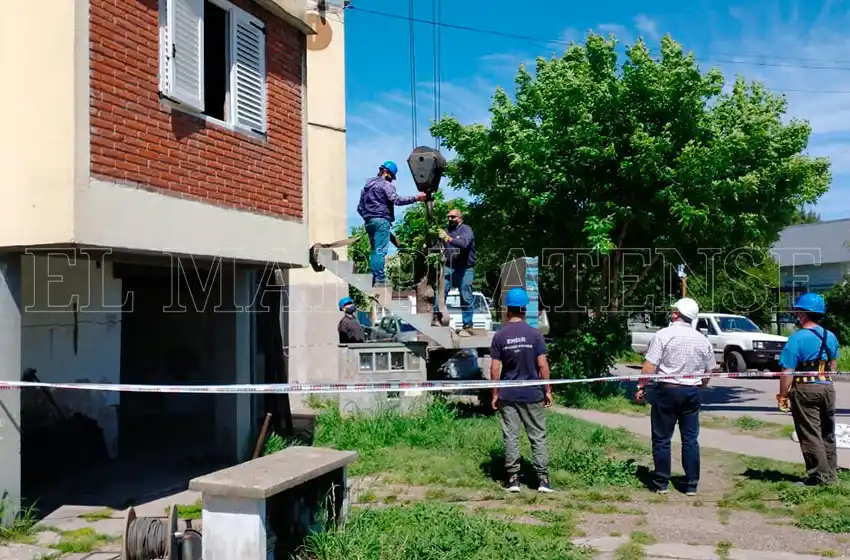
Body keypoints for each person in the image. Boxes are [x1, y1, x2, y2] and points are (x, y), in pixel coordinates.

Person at [635, 297, 715, 496]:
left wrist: (641, 387)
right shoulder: (702, 339)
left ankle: (661, 482)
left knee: (662, 438)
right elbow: (709, 370)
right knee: (690, 439)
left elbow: (650, 365)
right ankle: (691, 484)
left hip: (667, 390)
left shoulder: (663, 335)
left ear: (676, 314)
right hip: (692, 392)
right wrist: (700, 386)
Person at [490, 287, 553, 493]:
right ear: (524, 310)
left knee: (511, 436)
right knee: (538, 436)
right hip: (532, 393)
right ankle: (543, 480)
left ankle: (513, 479)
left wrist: (495, 393)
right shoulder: (535, 335)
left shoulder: (500, 336)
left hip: (509, 395)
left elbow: (494, 368)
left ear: (507, 310)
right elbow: (543, 365)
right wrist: (548, 390)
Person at [777, 292, 840, 486]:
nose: (796, 315)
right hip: (827, 388)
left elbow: (787, 371)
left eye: (798, 312)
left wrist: (783, 396)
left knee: (811, 434)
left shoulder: (797, 339)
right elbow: (833, 367)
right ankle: (831, 475)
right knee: (827, 433)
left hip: (805, 389)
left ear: (803, 314)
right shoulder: (830, 336)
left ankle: (818, 478)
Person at [356, 160, 426, 287]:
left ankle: (374, 278)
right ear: (387, 173)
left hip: (369, 222)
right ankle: (380, 279)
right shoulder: (385, 185)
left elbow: (359, 208)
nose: (392, 180)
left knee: (374, 251)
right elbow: (397, 200)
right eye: (392, 177)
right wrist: (416, 198)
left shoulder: (366, 187)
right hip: (381, 221)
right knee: (380, 251)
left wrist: (369, 218)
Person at [433, 208, 476, 336]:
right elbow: (437, 247)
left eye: (453, 217)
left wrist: (448, 238)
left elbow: (464, 244)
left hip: (465, 268)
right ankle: (437, 319)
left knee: (465, 293)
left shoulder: (466, 230)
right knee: (441, 292)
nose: (449, 219)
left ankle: (467, 325)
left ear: (460, 219)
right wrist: (433, 241)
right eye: (448, 217)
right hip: (449, 266)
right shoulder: (446, 231)